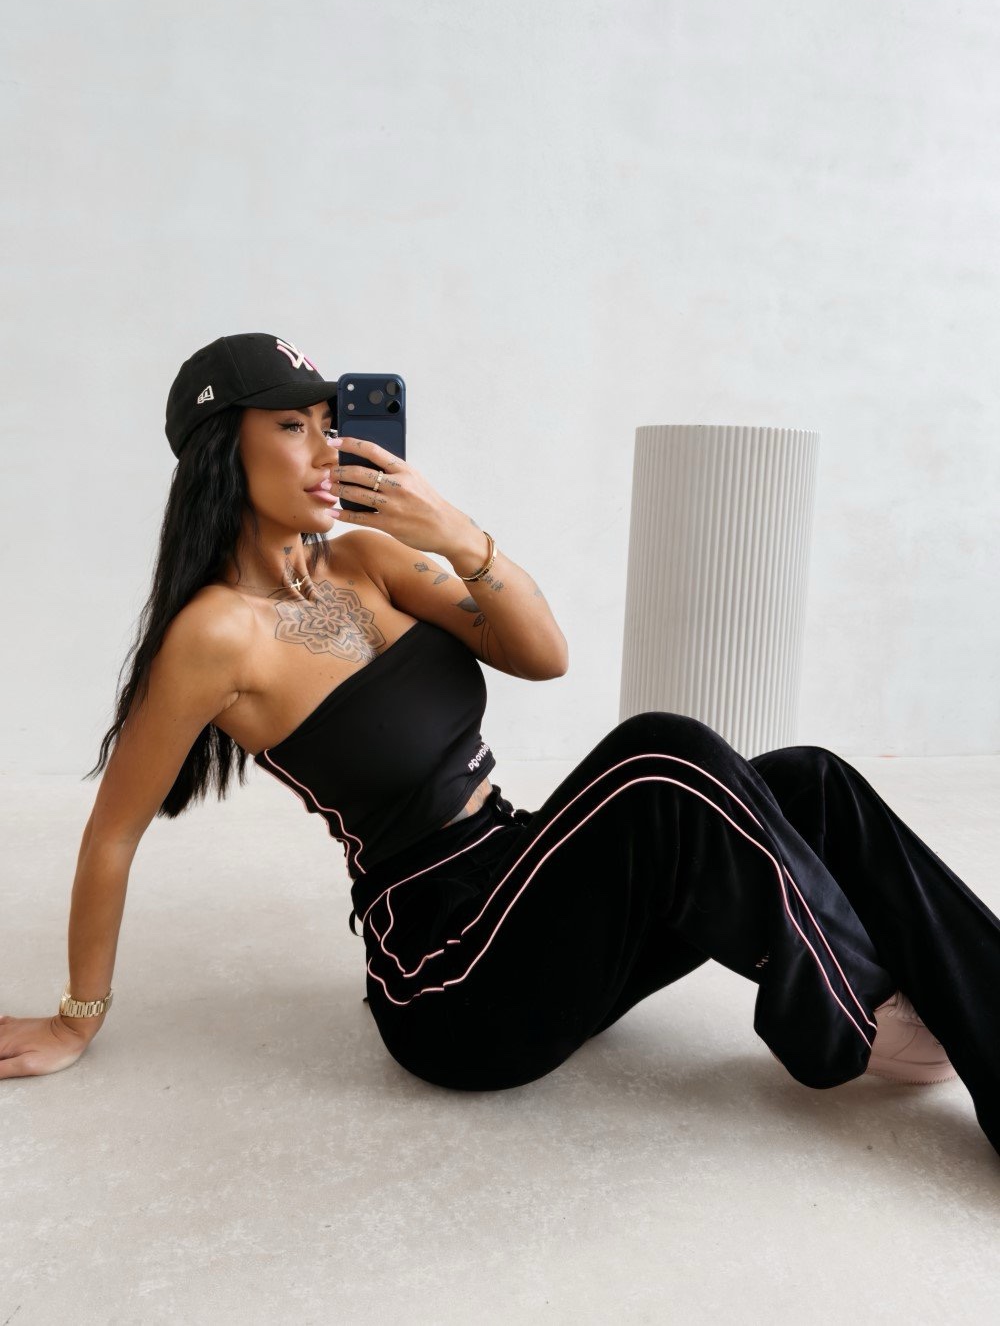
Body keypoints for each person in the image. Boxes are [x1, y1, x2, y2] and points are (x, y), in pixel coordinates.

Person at [2, 333, 998, 1164]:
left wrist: (456, 533)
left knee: (809, 780)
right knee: (661, 759)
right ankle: (852, 1011)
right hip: (450, 978)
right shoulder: (214, 634)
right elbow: (111, 835)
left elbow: (542, 655)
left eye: (327, 422)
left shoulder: (368, 560)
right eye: (291, 425)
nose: (324, 448)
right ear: (225, 448)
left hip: (523, 884)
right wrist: (77, 1017)